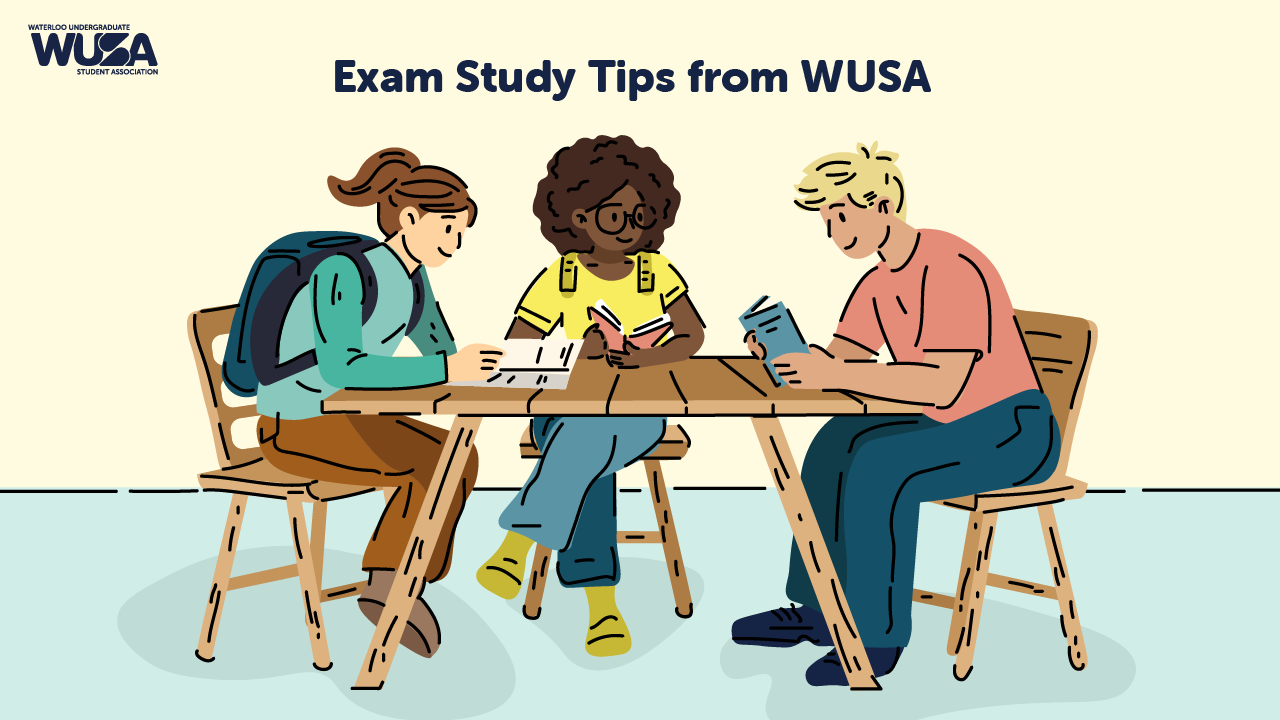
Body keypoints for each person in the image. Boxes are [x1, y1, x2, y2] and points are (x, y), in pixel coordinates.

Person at [731, 142, 1061, 685]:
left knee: (881, 466)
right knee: (835, 443)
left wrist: (833, 374)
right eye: (826, 222)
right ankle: (820, 610)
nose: (835, 234)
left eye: (842, 215)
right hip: (945, 421)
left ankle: (876, 638)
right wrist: (790, 359)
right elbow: (843, 363)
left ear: (882, 204)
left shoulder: (952, 265)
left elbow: (944, 384)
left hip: (1013, 428)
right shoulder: (876, 283)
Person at [254, 148, 502, 659]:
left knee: (460, 455)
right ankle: (389, 582)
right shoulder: (344, 273)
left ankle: (405, 577)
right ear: (410, 218)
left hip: (348, 416)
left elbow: (440, 349)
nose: (456, 243)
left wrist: (483, 368)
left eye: (462, 232)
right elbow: (343, 368)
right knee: (429, 463)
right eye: (448, 228)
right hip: (296, 422)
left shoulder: (415, 280)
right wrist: (448, 371)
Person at [473, 135, 705, 657]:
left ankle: (518, 544)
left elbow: (692, 337)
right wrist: (581, 350)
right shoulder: (562, 277)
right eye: (615, 217)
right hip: (562, 414)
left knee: (585, 449)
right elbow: (518, 347)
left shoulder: (657, 272)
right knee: (586, 447)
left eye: (641, 216)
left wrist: (645, 356)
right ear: (578, 218)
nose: (631, 228)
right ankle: (602, 608)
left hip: (641, 416)